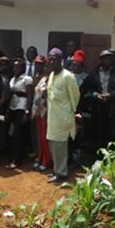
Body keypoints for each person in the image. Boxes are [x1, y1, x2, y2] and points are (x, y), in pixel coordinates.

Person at [46, 48, 80, 183]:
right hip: (52, 116)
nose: (50, 61)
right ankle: (56, 170)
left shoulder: (67, 76)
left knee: (60, 146)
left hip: (63, 117)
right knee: (52, 144)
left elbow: (75, 96)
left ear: (61, 60)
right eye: (49, 58)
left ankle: (61, 173)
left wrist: (71, 113)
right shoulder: (51, 75)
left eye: (54, 59)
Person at [87, 49, 115, 153]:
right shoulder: (94, 73)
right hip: (99, 108)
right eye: (105, 58)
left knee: (113, 133)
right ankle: (100, 156)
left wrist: (111, 95)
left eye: (110, 58)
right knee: (99, 132)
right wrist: (96, 95)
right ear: (101, 60)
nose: (108, 61)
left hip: (114, 109)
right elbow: (88, 89)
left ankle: (113, 156)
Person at [7, 58, 33, 169]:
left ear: (22, 68)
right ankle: (13, 156)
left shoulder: (26, 79)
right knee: (12, 133)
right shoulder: (12, 79)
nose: (15, 69)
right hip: (12, 106)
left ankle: (17, 160)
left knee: (18, 134)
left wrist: (27, 111)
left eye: (17, 67)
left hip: (21, 107)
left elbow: (30, 96)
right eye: (14, 67)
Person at [31, 55, 52, 172]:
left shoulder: (52, 79)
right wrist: (34, 111)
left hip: (47, 112)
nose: (46, 68)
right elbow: (36, 96)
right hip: (39, 112)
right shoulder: (42, 79)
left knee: (45, 138)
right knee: (39, 137)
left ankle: (46, 160)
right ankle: (40, 157)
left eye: (48, 66)